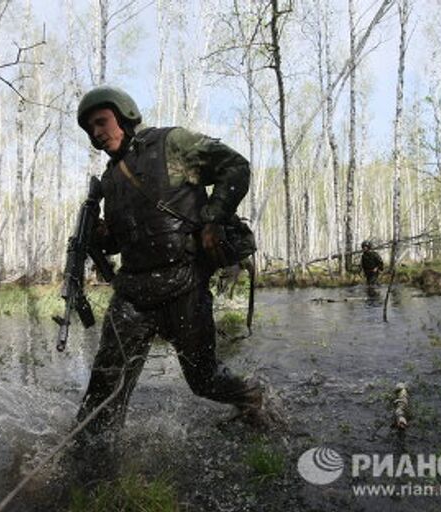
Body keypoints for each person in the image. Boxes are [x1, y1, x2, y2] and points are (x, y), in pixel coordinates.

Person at [71, 85, 276, 476]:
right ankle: (90, 468)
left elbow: (236, 166)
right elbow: (123, 238)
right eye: (89, 129)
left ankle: (253, 396)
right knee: (104, 389)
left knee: (203, 380)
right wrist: (102, 237)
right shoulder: (109, 181)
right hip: (132, 295)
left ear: (125, 115)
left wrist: (214, 217)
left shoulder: (172, 145)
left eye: (101, 121)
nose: (96, 132)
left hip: (185, 284)